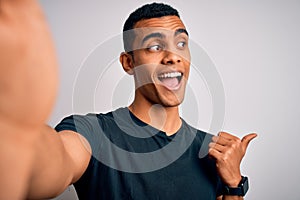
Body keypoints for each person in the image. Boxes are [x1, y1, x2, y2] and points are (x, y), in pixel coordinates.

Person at [0, 1, 257, 200]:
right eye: (155, 47)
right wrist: (18, 126)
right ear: (128, 62)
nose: (173, 56)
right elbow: (51, 164)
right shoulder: (93, 133)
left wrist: (234, 185)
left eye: (181, 43)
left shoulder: (211, 151)